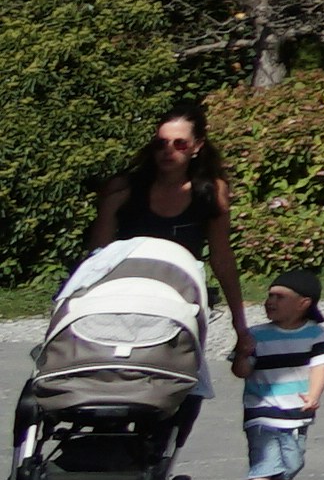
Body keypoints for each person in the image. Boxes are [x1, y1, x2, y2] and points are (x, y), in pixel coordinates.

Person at [78, 104, 235, 347]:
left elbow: (222, 258)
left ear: (197, 146)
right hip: (127, 296)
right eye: (161, 143)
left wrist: (240, 325)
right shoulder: (125, 190)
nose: (168, 151)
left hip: (181, 299)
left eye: (179, 144)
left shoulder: (210, 192)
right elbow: (98, 257)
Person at [232, 276, 324, 480]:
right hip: (261, 410)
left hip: (296, 412)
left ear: (303, 303)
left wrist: (314, 394)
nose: (270, 301)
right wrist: (242, 353)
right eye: (270, 295)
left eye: (280, 297)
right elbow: (241, 371)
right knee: (264, 462)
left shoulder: (316, 334)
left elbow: (320, 366)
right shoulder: (255, 335)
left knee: (292, 464)